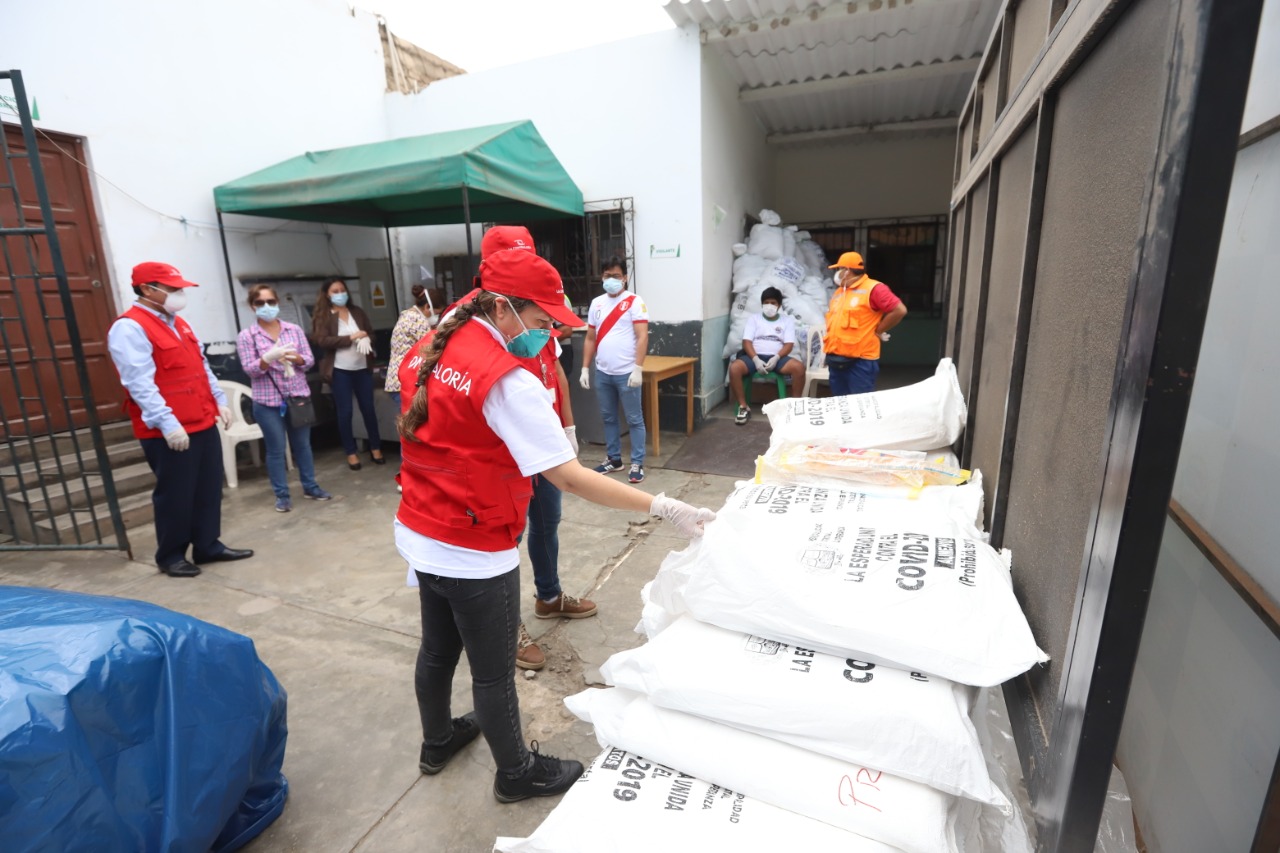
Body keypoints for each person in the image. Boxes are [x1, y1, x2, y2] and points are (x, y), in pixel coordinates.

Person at [394, 248, 715, 803]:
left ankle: (437, 741)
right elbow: (568, 478)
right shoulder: (504, 380)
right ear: (502, 310)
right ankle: (516, 774)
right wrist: (663, 506)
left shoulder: (440, 340)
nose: (547, 337)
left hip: (422, 527)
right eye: (541, 323)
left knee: (438, 649)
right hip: (474, 544)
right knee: (493, 673)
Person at [475, 226, 595, 673]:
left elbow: (556, 374)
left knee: (549, 522)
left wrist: (566, 429)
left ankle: (549, 596)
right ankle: (508, 626)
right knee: (510, 537)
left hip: (544, 443)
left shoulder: (535, 322)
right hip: (508, 454)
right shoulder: (492, 334)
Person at [106, 261, 254, 578]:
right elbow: (139, 383)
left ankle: (207, 545)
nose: (180, 294)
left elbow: (201, 366)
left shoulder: (179, 323)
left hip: (201, 419)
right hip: (168, 430)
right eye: (173, 289)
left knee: (208, 488)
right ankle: (171, 554)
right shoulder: (130, 327)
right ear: (147, 289)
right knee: (176, 493)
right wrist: (168, 424)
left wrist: (219, 401)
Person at [235, 284, 332, 512]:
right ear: (252, 306)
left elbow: (308, 361)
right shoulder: (247, 336)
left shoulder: (293, 330)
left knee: (303, 446)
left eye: (271, 302)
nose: (266, 307)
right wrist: (267, 358)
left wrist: (295, 357)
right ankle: (282, 495)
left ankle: (310, 486)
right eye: (260, 303)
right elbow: (250, 370)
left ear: (277, 303)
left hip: (297, 396)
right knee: (276, 449)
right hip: (267, 402)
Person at [579, 257, 648, 483]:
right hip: (603, 372)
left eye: (616, 276)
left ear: (625, 278)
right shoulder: (597, 303)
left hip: (627, 373)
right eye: (607, 275)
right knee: (608, 418)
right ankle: (614, 459)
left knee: (634, 419)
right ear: (602, 277)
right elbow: (590, 338)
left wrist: (638, 368)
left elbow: (642, 336)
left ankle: (637, 463)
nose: (611, 280)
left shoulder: (635, 301)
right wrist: (585, 369)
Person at [311, 278, 384, 471]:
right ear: (327, 294)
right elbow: (322, 340)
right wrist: (350, 338)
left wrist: (367, 338)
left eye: (342, 290)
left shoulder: (357, 312)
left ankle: (375, 447)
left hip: (362, 368)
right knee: (345, 413)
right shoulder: (324, 316)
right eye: (335, 291)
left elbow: (371, 333)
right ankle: (350, 452)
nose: (340, 293)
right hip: (340, 370)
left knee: (368, 409)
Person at [823, 252, 907, 396]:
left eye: (839, 269)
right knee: (840, 406)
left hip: (860, 362)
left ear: (847, 270)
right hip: (836, 360)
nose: (837, 273)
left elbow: (899, 310)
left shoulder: (874, 288)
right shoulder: (839, 292)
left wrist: (879, 330)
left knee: (859, 406)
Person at [728, 286, 807, 424]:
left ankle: (794, 407)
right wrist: (756, 359)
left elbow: (788, 344)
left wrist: (776, 358)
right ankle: (743, 407)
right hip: (754, 357)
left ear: (779, 305)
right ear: (762, 304)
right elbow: (746, 342)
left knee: (799, 368)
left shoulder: (786, 321)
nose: (769, 305)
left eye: (773, 303)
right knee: (734, 368)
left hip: (778, 358)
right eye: (766, 302)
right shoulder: (754, 319)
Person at [386, 283, 445, 410]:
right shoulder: (417, 320)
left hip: (397, 381)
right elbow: (435, 346)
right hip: (403, 382)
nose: (437, 317)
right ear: (427, 307)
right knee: (411, 425)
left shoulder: (407, 314)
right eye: (437, 313)